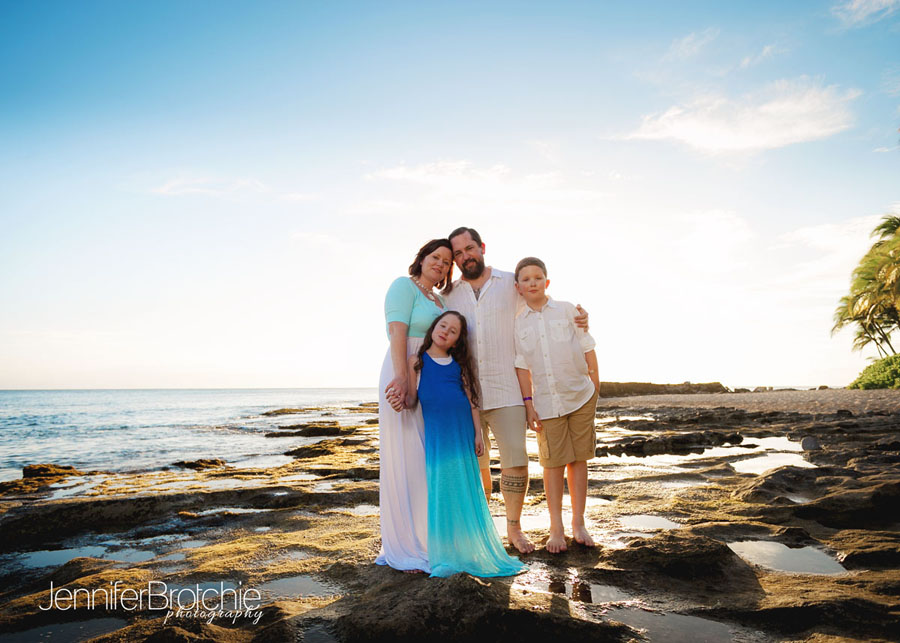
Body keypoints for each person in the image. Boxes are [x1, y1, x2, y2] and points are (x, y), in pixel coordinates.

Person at [444, 226, 589, 554]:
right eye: (458, 253)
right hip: (464, 394)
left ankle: (513, 528)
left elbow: (544, 303)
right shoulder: (449, 294)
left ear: (482, 247)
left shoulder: (511, 283)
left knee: (516, 461)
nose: (466, 256)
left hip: (507, 389)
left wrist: (579, 318)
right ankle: (480, 529)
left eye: (470, 248)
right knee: (475, 465)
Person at [405, 311, 527, 578]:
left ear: (457, 341)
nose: (445, 332)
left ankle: (469, 548)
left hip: (461, 430)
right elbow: (412, 399)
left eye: (453, 332)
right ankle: (445, 552)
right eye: (443, 326)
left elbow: (472, 402)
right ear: (434, 327)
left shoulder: (458, 364)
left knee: (464, 485)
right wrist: (399, 397)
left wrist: (478, 434)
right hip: (438, 434)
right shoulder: (417, 361)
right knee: (441, 487)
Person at [376, 238, 453, 573]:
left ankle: (426, 538)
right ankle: (405, 546)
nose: (440, 264)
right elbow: (397, 333)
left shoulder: (439, 300)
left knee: (425, 458)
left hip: (428, 376)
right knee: (405, 455)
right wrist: (401, 379)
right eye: (435, 257)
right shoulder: (403, 286)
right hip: (402, 370)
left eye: (447, 262)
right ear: (422, 258)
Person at [513, 257, 599, 554]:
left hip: (579, 396)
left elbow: (588, 346)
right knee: (552, 464)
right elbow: (521, 366)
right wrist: (528, 405)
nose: (533, 283)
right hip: (546, 404)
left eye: (538, 277)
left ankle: (579, 523)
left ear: (546, 282)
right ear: (518, 287)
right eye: (526, 279)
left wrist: (595, 388)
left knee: (579, 460)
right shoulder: (518, 323)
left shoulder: (567, 310)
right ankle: (556, 528)